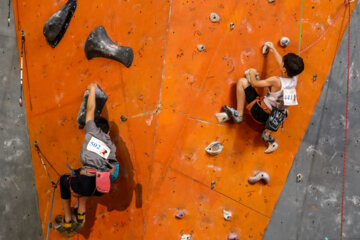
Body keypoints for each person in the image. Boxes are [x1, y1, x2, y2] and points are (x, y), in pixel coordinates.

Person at [55, 83, 119, 236]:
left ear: (95, 126)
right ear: (108, 132)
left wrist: (92, 89)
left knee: (64, 180)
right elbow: (112, 169)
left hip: (86, 182)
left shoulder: (91, 130)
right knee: (83, 181)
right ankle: (81, 215)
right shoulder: (111, 147)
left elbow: (90, 109)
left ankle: (68, 219)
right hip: (99, 188)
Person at [223, 42, 304, 153]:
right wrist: (273, 49)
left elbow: (255, 83)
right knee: (286, 111)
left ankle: (239, 114)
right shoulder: (295, 78)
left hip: (260, 113)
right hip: (274, 117)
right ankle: (267, 132)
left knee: (242, 82)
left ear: (284, 69)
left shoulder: (276, 81)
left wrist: (251, 73)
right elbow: (289, 102)